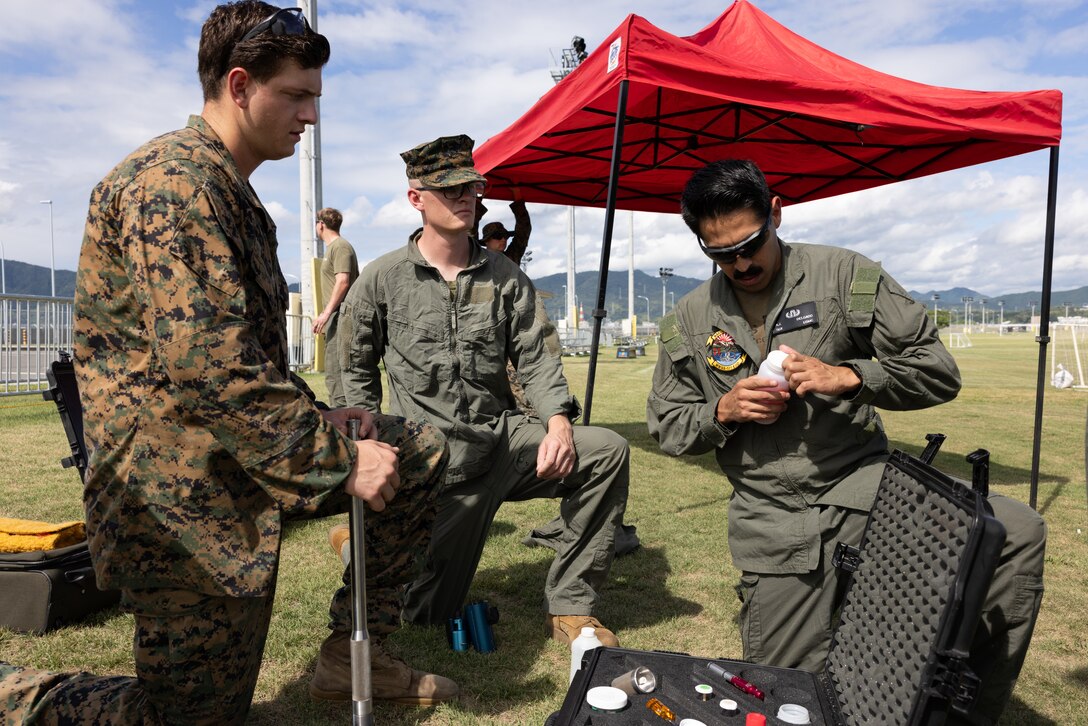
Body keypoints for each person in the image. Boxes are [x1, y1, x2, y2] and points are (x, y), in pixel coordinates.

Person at [0, 4, 456, 722]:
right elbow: (211, 367)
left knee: (415, 450)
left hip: (225, 466)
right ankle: (16, 694)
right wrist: (339, 459)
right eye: (297, 95)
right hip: (178, 500)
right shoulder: (174, 184)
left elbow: (243, 351)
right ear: (239, 84)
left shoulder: (224, 188)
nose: (311, 115)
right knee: (187, 715)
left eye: (315, 97)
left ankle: (351, 658)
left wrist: (319, 418)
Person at [646, 159, 1046, 725]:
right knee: (782, 697)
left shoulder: (844, 276)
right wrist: (723, 410)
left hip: (864, 488)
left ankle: (959, 714)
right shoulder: (688, 319)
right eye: (720, 253)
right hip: (773, 518)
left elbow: (937, 369)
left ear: (776, 213)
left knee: (1014, 532)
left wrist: (854, 377)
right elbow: (667, 425)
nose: (740, 262)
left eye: (751, 244)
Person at [338, 134, 630, 648]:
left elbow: (537, 358)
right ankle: (357, 546)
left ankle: (570, 606)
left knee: (605, 452)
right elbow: (353, 373)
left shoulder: (505, 278)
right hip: (434, 470)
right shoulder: (382, 280)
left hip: (502, 445)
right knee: (425, 613)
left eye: (470, 188)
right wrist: (366, 441)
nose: (463, 199)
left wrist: (558, 421)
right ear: (416, 198)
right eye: (448, 189)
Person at [313, 206, 359, 406]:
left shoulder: (340, 246)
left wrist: (325, 314)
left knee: (336, 376)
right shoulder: (334, 248)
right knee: (334, 375)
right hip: (335, 318)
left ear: (321, 225)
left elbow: (343, 281)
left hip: (341, 317)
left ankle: (344, 431)